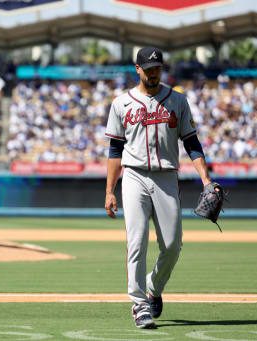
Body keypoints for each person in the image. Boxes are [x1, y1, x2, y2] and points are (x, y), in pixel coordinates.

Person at [104, 47, 213, 329]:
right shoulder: (121, 103)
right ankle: (139, 306)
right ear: (137, 69)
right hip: (134, 176)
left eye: (157, 68)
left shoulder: (177, 100)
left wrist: (206, 180)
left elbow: (192, 143)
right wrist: (109, 191)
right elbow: (115, 150)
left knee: (173, 246)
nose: (154, 72)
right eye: (148, 68)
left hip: (166, 177)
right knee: (136, 242)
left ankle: (154, 286)